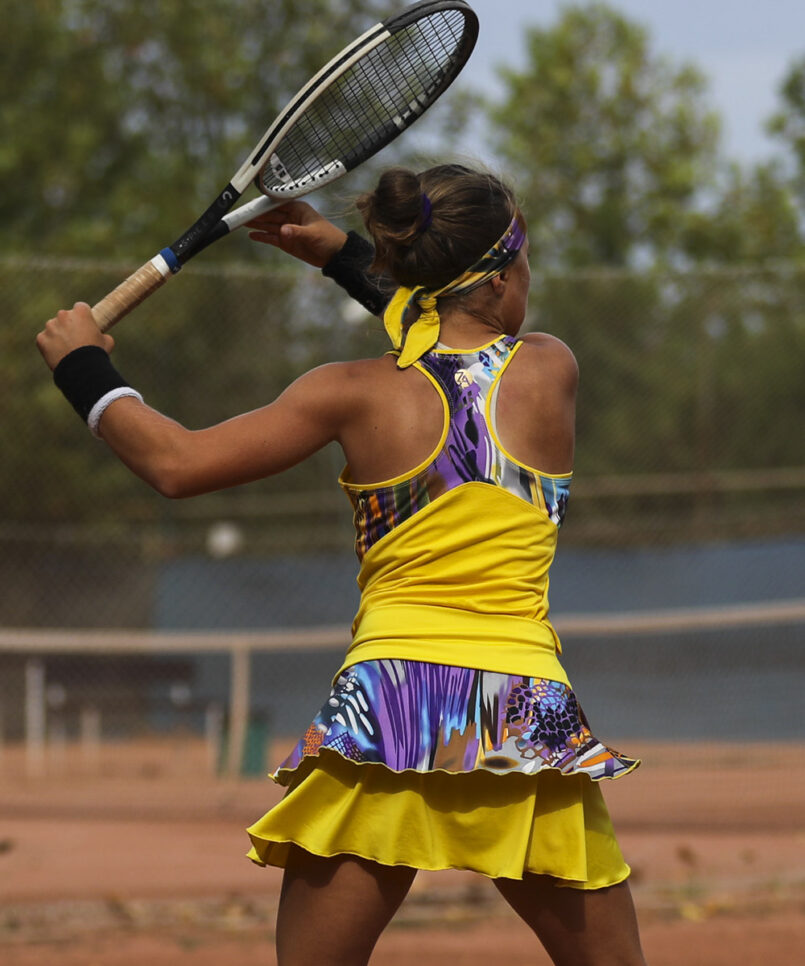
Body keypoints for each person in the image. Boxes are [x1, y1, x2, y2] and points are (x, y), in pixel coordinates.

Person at [37, 163, 648, 966]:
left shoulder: (346, 393)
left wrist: (83, 366)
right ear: (503, 278)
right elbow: (443, 335)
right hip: (518, 709)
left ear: (406, 266)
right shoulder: (548, 368)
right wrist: (345, 258)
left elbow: (175, 464)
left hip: (391, 704)